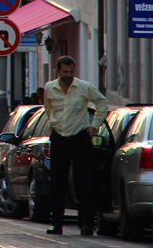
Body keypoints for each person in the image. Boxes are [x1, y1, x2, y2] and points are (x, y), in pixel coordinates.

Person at [44, 55, 108, 236]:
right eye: (65, 72)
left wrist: (94, 125)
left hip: (80, 138)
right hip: (59, 138)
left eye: (71, 71)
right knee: (57, 181)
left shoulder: (84, 87)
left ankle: (85, 223)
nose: (69, 75)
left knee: (85, 181)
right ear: (58, 71)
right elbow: (48, 108)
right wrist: (54, 123)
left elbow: (102, 103)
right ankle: (56, 223)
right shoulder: (50, 88)